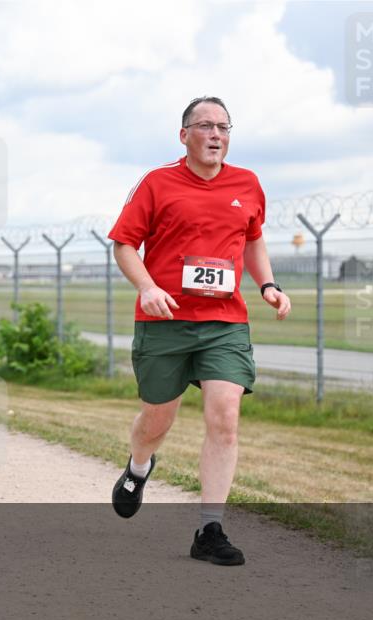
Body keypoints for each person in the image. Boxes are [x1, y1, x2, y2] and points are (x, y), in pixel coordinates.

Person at [107, 96, 291, 566]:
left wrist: (267, 284)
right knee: (157, 419)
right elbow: (124, 244)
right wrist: (146, 287)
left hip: (224, 322)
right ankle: (138, 467)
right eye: (205, 126)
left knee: (225, 415)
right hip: (164, 319)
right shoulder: (157, 182)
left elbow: (252, 238)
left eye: (224, 127)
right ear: (183, 134)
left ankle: (210, 528)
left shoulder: (247, 184)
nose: (216, 135)